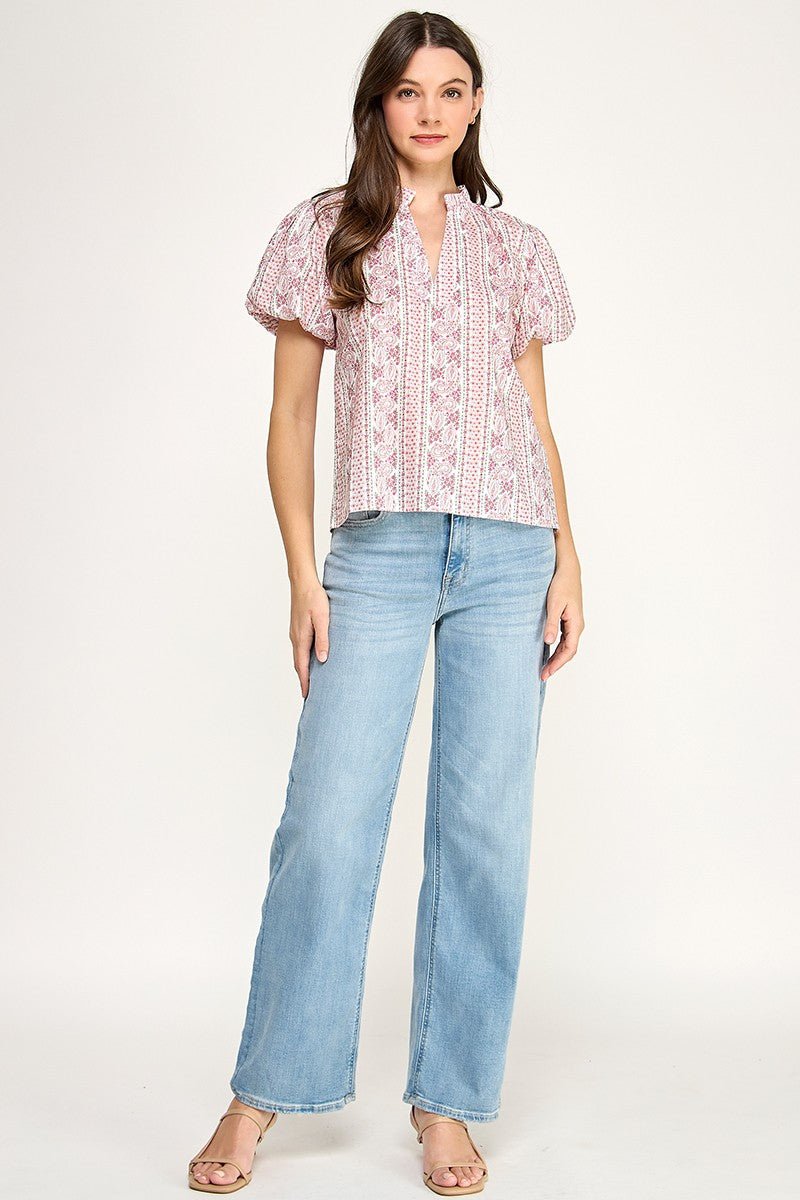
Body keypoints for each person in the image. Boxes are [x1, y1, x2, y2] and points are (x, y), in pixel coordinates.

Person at [187, 10, 585, 1195]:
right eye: (409, 90)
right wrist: (300, 574)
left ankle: (446, 1103)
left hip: (508, 551)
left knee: (482, 833)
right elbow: (290, 418)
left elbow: (534, 418)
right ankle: (260, 1094)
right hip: (378, 551)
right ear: (378, 104)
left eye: (450, 89)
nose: (429, 110)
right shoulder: (326, 230)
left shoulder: (514, 248)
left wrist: (568, 557)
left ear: (475, 105)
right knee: (328, 823)